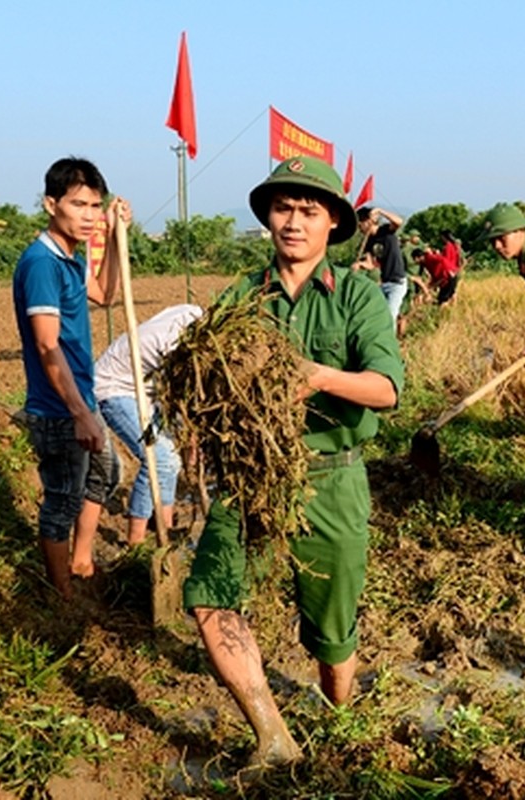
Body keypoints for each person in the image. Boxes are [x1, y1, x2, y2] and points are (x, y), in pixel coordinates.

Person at [183, 157, 404, 767]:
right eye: (283, 209)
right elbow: (210, 383)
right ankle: (273, 736)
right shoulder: (240, 298)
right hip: (249, 477)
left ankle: (340, 716)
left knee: (332, 635)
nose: (294, 222)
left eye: (309, 211)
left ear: (333, 223)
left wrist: (321, 377)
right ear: (268, 219)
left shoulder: (357, 295)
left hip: (331, 479)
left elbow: (386, 389)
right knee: (210, 596)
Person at [12, 157, 128, 597]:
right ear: (50, 204)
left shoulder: (70, 259)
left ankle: (81, 560)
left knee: (105, 474)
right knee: (62, 498)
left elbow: (106, 293)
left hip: (82, 395)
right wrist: (80, 414)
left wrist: (115, 239)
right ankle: (61, 594)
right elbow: (46, 345)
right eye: (78, 204)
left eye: (95, 206)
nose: (89, 215)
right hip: (59, 407)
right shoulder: (41, 263)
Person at [94, 304, 203, 546]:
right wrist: (191, 437)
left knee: (170, 457)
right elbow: (179, 398)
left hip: (144, 392)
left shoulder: (193, 313)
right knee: (158, 458)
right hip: (116, 391)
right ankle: (136, 541)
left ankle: (164, 528)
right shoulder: (177, 348)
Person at [354, 206, 408, 329]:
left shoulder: (386, 231)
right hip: (384, 283)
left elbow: (399, 222)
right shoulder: (369, 241)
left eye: (360, 224)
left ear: (367, 221)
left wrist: (380, 211)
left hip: (397, 283)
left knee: (389, 317)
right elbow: (371, 264)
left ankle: (390, 345)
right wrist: (360, 265)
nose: (359, 228)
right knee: (377, 315)